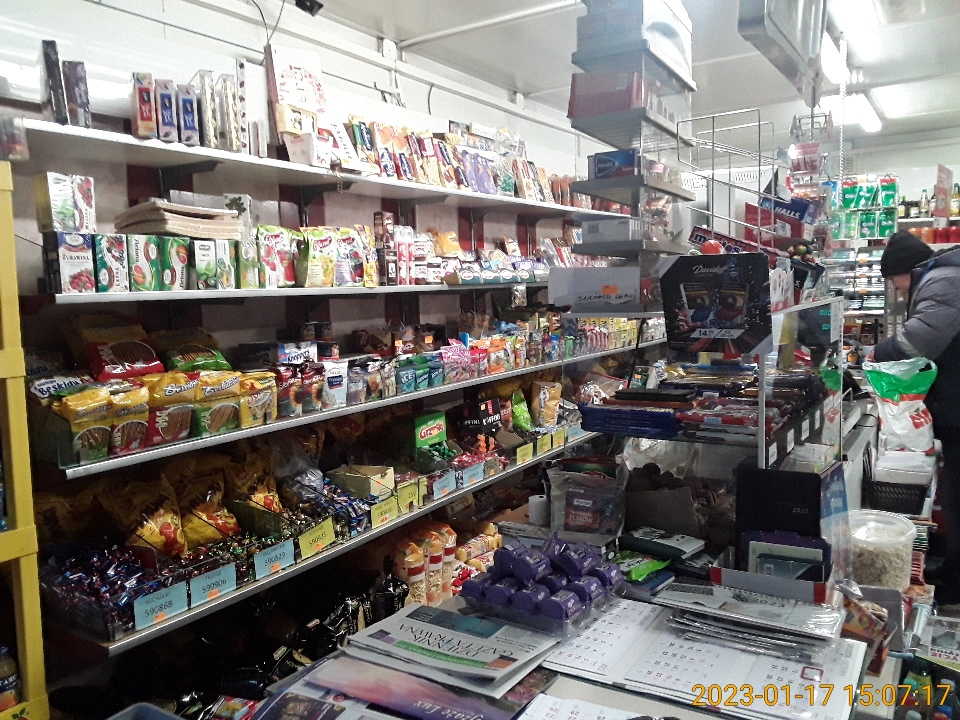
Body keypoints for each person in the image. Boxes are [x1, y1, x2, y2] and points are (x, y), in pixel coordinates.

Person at [873, 231, 960, 603]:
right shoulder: (944, 277)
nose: (895, 288)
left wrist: (877, 353)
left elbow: (917, 342)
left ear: (908, 269)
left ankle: (955, 584)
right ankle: (953, 572)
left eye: (893, 279)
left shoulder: (942, 282)